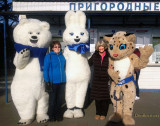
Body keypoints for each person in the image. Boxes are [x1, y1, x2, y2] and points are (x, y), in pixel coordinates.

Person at [43, 41, 66, 121]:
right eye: (55, 47)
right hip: (53, 82)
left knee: (60, 100)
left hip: (62, 81)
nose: (57, 48)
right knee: (52, 101)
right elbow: (45, 70)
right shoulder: (48, 56)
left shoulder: (62, 56)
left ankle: (58, 115)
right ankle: (51, 115)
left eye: (59, 47)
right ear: (52, 48)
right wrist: (47, 80)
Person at [88, 40, 110, 120]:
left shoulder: (108, 55)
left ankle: (103, 113)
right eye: (99, 46)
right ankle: (98, 113)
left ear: (105, 47)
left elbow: (113, 65)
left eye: (102, 46)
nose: (101, 48)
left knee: (104, 98)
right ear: (97, 47)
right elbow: (88, 63)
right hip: (96, 79)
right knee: (97, 98)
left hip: (105, 79)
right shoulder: (95, 55)